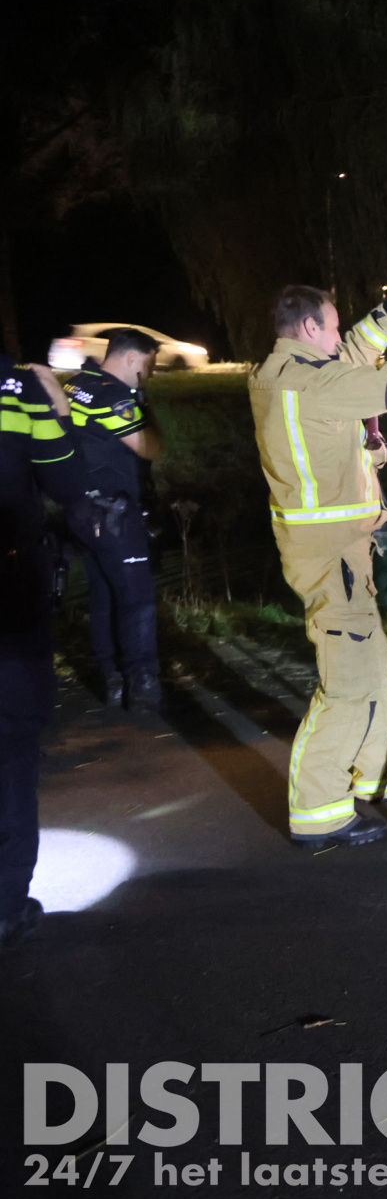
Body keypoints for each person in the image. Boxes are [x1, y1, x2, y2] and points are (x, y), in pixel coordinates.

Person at [250, 282, 387, 848]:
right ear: (311, 329)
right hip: (329, 550)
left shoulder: (286, 369)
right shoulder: (313, 383)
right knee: (346, 682)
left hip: (339, 546)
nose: (341, 336)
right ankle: (318, 812)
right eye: (334, 326)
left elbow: (354, 355)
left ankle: (384, 772)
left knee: (375, 663)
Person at [1, 360, 84, 951]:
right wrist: (56, 403)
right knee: (11, 751)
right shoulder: (18, 387)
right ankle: (5, 909)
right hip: (9, 599)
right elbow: (67, 482)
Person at [61, 327, 165, 710]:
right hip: (115, 515)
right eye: (149, 364)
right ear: (134, 359)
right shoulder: (116, 398)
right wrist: (148, 410)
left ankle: (112, 679)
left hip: (82, 510)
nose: (149, 373)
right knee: (137, 598)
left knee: (103, 595)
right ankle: (144, 686)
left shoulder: (79, 384)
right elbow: (151, 448)